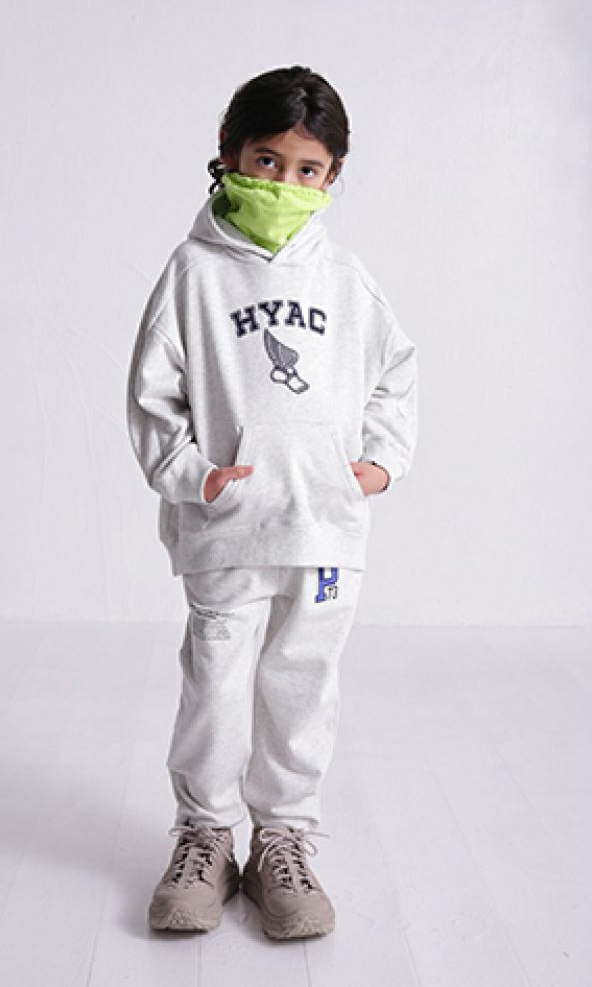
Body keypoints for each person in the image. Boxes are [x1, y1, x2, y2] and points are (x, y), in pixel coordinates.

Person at [126, 65, 418, 940]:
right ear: (227, 153)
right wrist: (193, 475)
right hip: (228, 526)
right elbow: (153, 395)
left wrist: (379, 463)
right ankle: (205, 838)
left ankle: (283, 841)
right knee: (216, 687)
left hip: (324, 527)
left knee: (301, 689)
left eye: (306, 169)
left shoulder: (347, 279)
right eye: (266, 160)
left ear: (332, 176)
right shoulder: (193, 273)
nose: (283, 181)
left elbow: (397, 371)